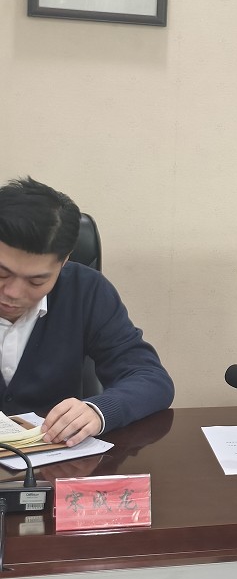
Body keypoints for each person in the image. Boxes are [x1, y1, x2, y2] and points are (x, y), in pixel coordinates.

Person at [0, 177, 174, 446]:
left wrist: (99, 410)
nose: (13, 292)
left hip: (54, 458)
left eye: (36, 281)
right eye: (2, 274)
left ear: (64, 260)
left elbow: (151, 379)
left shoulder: (85, 290)